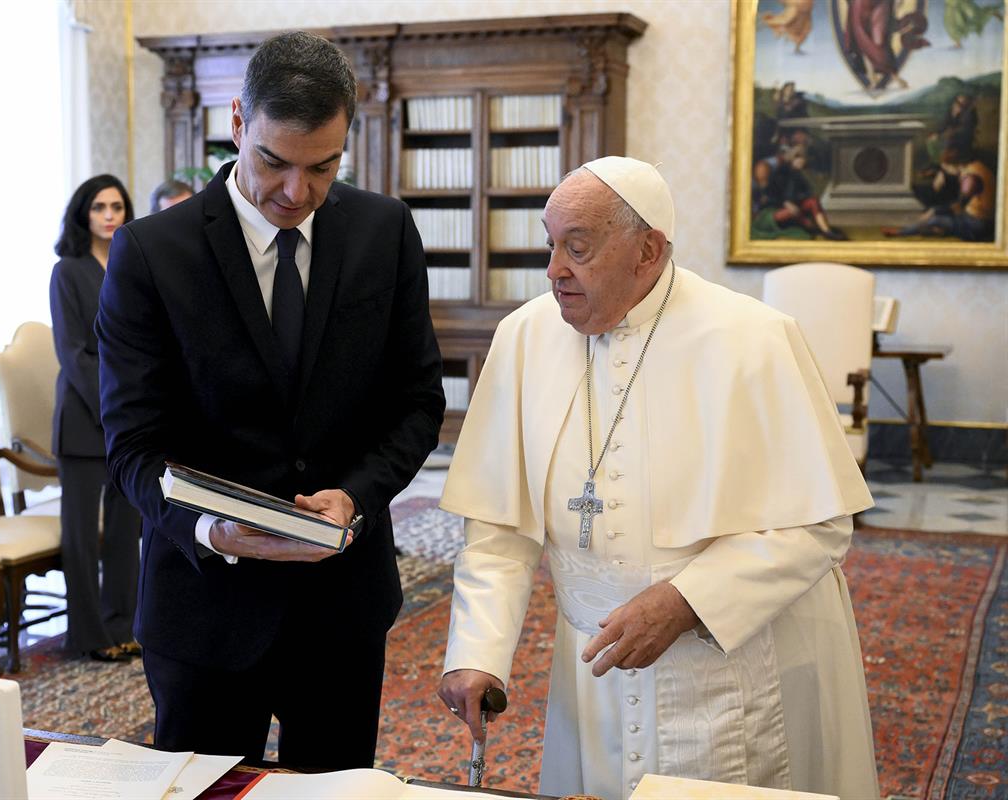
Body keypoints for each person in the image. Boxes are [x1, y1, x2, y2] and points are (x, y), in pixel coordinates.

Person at [437, 157, 879, 800]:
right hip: (597, 675)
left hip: (730, 670)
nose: (554, 269)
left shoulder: (752, 339)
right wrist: (477, 650)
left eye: (578, 248)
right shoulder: (523, 338)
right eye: (550, 243)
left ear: (648, 251)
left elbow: (819, 524)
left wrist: (684, 601)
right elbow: (499, 526)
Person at [96, 31, 444, 768]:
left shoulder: (385, 233)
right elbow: (131, 443)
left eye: (323, 167)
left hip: (343, 606)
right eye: (274, 162)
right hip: (203, 610)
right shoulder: (153, 253)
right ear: (236, 124)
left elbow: (416, 402)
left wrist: (354, 496)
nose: (296, 192)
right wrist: (211, 529)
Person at [50, 174, 143, 662]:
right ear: (84, 214)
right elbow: (73, 353)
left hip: (127, 418)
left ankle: (123, 626)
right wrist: (113, 408)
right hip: (85, 419)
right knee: (83, 536)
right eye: (99, 207)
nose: (109, 215)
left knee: (127, 531)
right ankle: (88, 634)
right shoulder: (68, 271)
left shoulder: (132, 265)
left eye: (117, 206)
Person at [884, 147, 994, 241]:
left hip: (976, 225)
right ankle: (920, 229)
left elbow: (959, 207)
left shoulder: (970, 178)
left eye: (945, 167)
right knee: (937, 219)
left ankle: (900, 233)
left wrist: (935, 211)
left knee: (935, 219)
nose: (945, 170)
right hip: (978, 219)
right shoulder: (976, 167)